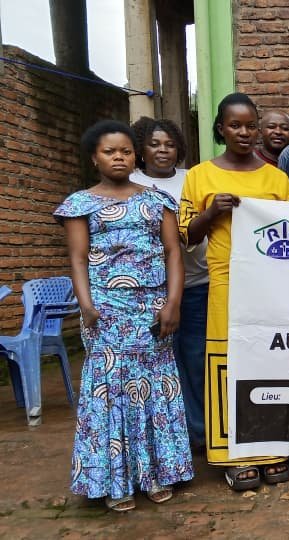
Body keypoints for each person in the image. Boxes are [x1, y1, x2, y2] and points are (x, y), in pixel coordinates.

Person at [55, 120, 193, 512]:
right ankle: (116, 481)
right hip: (106, 311)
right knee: (111, 390)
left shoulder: (157, 199)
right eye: (109, 152)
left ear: (136, 155)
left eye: (126, 151)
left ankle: (157, 474)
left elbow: (172, 254)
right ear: (94, 158)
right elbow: (78, 258)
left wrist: (173, 302)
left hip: (152, 308)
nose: (119, 157)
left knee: (153, 387)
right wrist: (86, 306)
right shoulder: (80, 204)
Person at [179, 93, 289, 490]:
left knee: (269, 360)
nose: (244, 133)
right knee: (226, 364)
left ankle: (274, 449)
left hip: (271, 285)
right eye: (235, 125)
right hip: (225, 283)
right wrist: (212, 212)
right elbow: (186, 235)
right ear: (221, 128)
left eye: (250, 125)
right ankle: (233, 454)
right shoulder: (199, 175)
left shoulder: (276, 177)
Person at [130, 117, 208, 451]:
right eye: (155, 144)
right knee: (161, 363)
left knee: (197, 360)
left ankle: (202, 433)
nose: (163, 150)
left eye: (169, 144)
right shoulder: (130, 182)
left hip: (197, 283)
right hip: (150, 291)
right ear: (141, 150)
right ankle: (167, 437)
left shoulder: (193, 178)